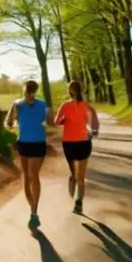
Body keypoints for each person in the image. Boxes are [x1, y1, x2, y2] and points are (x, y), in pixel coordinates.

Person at [5, 80, 51, 231]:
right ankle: (33, 210)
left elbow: (49, 121)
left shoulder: (43, 105)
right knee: (26, 175)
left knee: (33, 173)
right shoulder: (17, 104)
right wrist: (12, 123)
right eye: (26, 93)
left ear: (35, 92)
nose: (28, 96)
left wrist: (45, 124)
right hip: (23, 143)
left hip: (38, 143)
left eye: (30, 93)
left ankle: (34, 212)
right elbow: (8, 123)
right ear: (23, 91)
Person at [54, 80, 100, 214]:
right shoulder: (87, 106)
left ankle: (72, 177)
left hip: (68, 142)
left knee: (74, 172)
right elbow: (94, 124)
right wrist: (92, 130)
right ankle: (78, 203)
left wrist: (66, 121)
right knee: (82, 175)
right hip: (84, 142)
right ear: (83, 91)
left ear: (69, 92)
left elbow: (57, 121)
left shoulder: (64, 105)